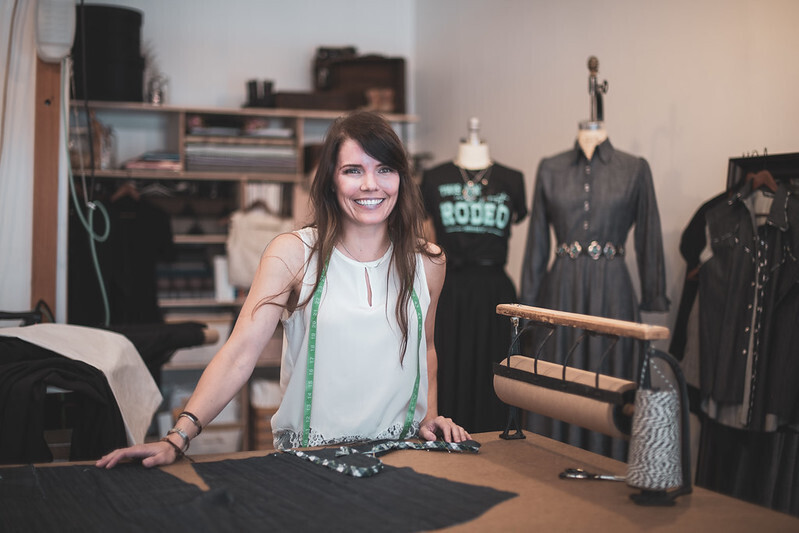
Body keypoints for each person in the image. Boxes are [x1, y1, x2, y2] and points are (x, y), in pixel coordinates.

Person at [97, 111, 470, 469]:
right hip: (314, 462)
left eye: (384, 169)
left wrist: (430, 420)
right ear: (330, 181)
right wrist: (177, 437)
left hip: (402, 459)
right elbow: (241, 352)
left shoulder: (428, 261)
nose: (370, 185)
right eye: (353, 170)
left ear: (401, 178)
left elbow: (427, 348)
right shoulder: (294, 254)